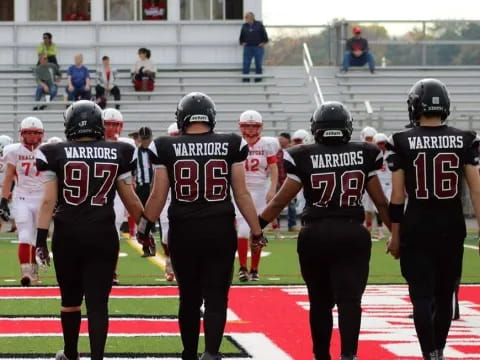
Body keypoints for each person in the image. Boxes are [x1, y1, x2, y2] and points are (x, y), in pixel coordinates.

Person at [136, 92, 265, 360]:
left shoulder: (165, 146)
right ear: (211, 117)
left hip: (184, 230)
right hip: (219, 229)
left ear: (182, 118)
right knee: (217, 297)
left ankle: (189, 353)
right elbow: (241, 193)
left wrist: (144, 227)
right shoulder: (231, 143)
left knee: (189, 297)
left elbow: (158, 195)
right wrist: (256, 229)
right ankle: (212, 353)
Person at [259, 101, 391, 360]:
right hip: (352, 232)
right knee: (350, 300)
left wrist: (257, 228)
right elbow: (381, 201)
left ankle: (321, 355)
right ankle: (348, 355)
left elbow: (280, 201)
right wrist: (396, 232)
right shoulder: (365, 152)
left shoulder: (302, 154)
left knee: (320, 302)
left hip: (315, 234)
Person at [34, 100, 144, 360]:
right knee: (98, 303)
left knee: (70, 300)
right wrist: (147, 227)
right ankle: (97, 357)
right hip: (102, 234)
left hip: (67, 234)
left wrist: (40, 239)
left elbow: (49, 201)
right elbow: (130, 199)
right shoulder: (119, 151)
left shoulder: (53, 152)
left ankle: (71, 353)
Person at [386, 78, 480, 360]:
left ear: (415, 106)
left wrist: (394, 233)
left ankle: (428, 353)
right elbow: (476, 188)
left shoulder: (401, 140)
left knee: (421, 296)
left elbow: (398, 196)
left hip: (417, 224)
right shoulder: (465, 138)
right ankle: (439, 350)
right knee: (444, 296)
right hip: (451, 224)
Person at [0, 117, 46, 286]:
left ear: (41, 134)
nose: (32, 136)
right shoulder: (14, 151)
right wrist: (4, 199)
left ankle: (34, 271)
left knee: (37, 237)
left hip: (42, 198)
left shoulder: (48, 150)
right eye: (29, 133)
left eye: (35, 133)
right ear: (22, 134)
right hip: (22, 197)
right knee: (25, 234)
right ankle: (26, 272)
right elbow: (9, 176)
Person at [236, 110, 277, 281]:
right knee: (243, 231)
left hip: (260, 189)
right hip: (241, 190)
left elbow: (274, 168)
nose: (251, 129)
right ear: (241, 127)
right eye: (247, 126)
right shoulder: (237, 143)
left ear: (260, 127)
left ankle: (254, 269)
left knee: (257, 231)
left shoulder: (267, 144)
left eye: (254, 126)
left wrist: (273, 188)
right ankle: (243, 267)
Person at [135, 126, 157, 257]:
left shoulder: (155, 151)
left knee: (154, 217)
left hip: (154, 187)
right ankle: (147, 245)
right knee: (142, 218)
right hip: (141, 187)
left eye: (147, 139)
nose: (145, 142)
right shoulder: (135, 152)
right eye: (143, 139)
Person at [239, 12, 268, 82]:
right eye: (245, 17)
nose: (245, 18)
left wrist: (263, 42)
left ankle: (258, 79)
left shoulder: (259, 24)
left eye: (247, 17)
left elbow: (265, 35)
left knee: (258, 63)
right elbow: (241, 37)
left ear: (252, 17)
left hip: (258, 48)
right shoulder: (244, 26)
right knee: (246, 63)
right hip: (247, 48)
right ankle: (246, 79)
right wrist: (242, 42)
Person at [277, 132, 297, 231]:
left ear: (288, 140)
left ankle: (292, 225)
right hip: (278, 181)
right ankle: (276, 225)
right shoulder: (277, 151)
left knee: (291, 204)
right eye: (279, 139)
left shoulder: (292, 151)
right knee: (276, 204)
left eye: (282, 139)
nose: (280, 140)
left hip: (290, 181)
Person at [360, 126, 378, 234]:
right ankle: (368, 227)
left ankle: (380, 228)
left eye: (371, 138)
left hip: (377, 179)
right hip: (367, 179)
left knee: (380, 205)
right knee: (367, 206)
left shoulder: (378, 149)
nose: (369, 141)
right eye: (368, 138)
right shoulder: (362, 150)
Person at [373, 132, 391, 238]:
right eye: (378, 143)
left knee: (392, 206)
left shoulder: (391, 154)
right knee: (377, 208)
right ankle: (380, 231)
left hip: (390, 184)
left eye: (382, 143)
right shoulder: (374, 155)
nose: (381, 146)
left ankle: (393, 229)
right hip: (379, 184)